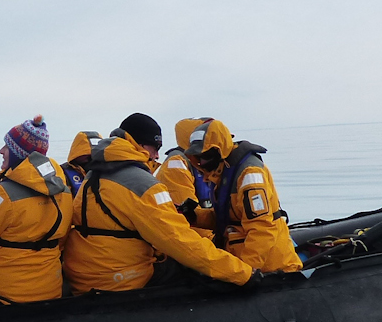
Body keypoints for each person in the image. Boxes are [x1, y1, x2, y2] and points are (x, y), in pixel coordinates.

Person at [62, 113, 254, 294]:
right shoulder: (141, 184)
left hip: (83, 273)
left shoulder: (94, 173)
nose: (156, 157)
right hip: (118, 279)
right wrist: (242, 273)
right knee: (194, 272)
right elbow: (180, 242)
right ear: (142, 146)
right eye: (156, 149)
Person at [0, 116, 72, 304]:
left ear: (18, 153)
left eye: (7, 146)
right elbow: (62, 240)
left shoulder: (1, 194)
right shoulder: (65, 191)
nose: (1, 151)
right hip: (50, 290)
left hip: (3, 295)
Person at [187, 119, 302, 272]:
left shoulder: (250, 175)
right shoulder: (221, 173)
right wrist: (195, 216)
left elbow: (262, 228)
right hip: (241, 259)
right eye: (198, 157)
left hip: (270, 267)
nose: (202, 161)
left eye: (205, 155)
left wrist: (247, 271)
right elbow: (228, 216)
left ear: (219, 150)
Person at [157, 118, 214, 234]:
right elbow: (188, 215)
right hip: (196, 243)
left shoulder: (211, 164)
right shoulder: (176, 165)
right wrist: (217, 245)